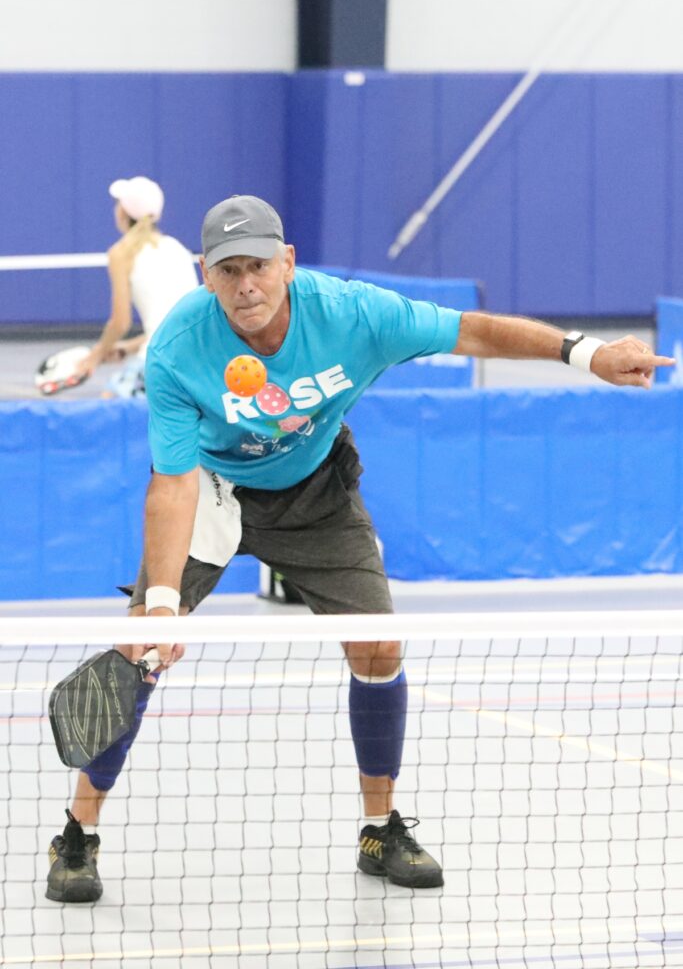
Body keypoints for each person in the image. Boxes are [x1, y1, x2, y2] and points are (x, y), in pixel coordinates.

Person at [46, 195, 673, 903]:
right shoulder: (180, 346)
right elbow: (173, 482)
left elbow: (467, 332)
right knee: (140, 656)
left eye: (257, 265)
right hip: (214, 493)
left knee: (377, 646)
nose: (245, 283)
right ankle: (77, 835)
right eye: (228, 270)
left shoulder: (353, 314)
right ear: (205, 275)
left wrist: (585, 353)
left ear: (286, 263)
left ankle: (380, 829)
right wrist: (161, 606)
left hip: (314, 491)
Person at [76, 176, 198, 396]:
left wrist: (95, 356)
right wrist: (126, 348)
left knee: (107, 408)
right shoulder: (178, 249)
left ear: (122, 212)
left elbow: (120, 322)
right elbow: (177, 322)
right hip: (195, 362)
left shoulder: (121, 253)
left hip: (159, 362)